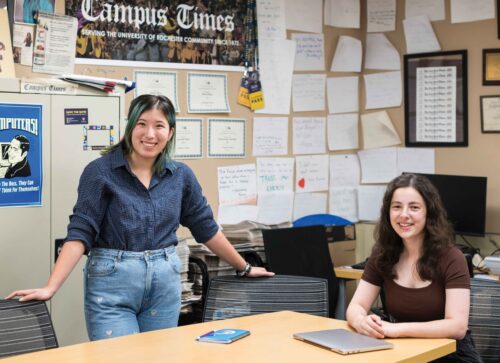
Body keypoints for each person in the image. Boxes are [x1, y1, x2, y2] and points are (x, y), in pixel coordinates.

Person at [7, 95, 274, 341]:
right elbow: (81, 232)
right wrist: (50, 287)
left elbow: (206, 228)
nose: (150, 134)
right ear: (130, 128)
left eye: (159, 126)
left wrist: (245, 267)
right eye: (142, 124)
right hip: (112, 283)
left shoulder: (180, 176)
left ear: (170, 132)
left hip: (165, 283)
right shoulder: (100, 172)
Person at [346, 173, 482, 362]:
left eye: (414, 207)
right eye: (397, 207)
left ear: (429, 213)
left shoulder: (452, 258)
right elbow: (356, 306)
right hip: (405, 350)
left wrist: (395, 329)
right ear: (388, 212)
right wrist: (361, 321)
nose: (404, 215)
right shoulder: (383, 254)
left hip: (450, 353)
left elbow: (457, 327)